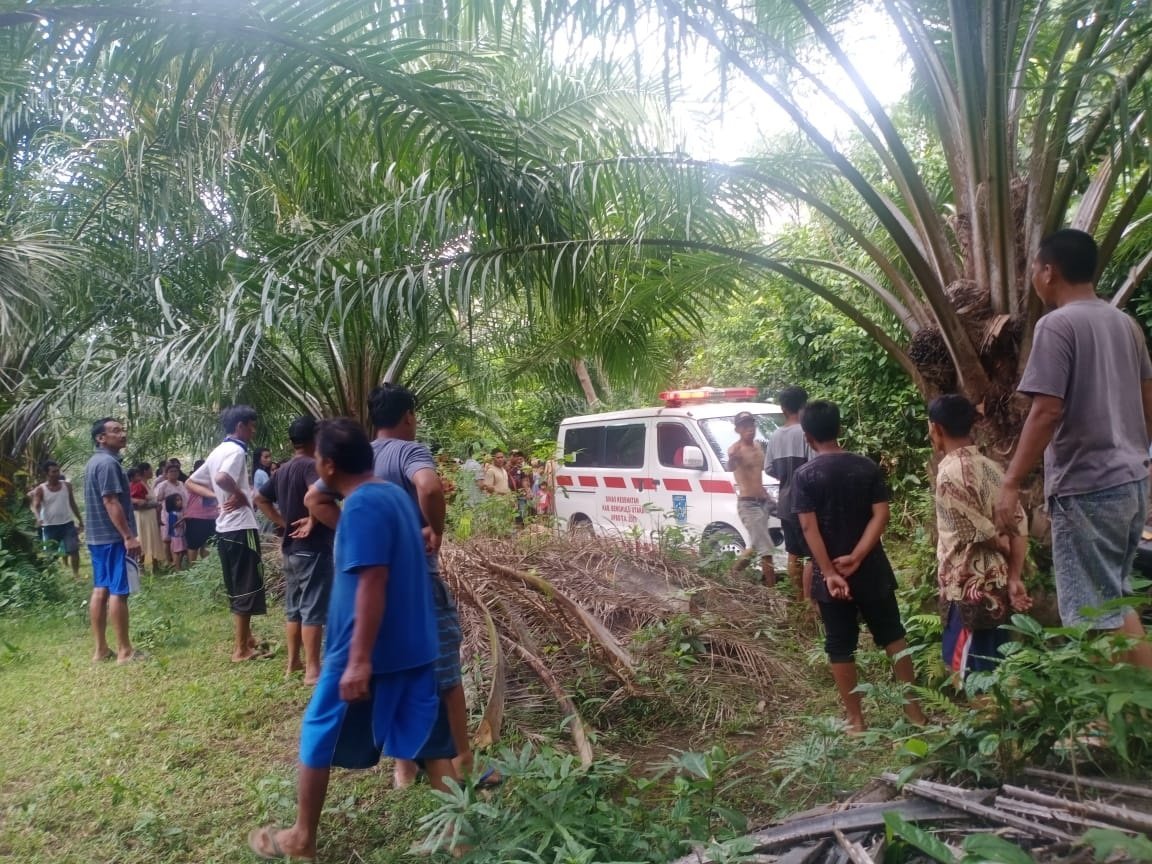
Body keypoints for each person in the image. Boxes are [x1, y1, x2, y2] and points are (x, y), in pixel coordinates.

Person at [246, 418, 448, 862]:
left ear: (330, 464)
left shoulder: (360, 508)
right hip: (415, 646)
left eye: (319, 460)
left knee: (317, 735)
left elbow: (372, 581)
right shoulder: (393, 495)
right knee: (432, 745)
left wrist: (358, 661)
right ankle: (459, 839)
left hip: (368, 651)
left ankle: (302, 838)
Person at [305, 384, 480, 787]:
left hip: (374, 596)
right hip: (417, 583)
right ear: (408, 417)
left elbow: (314, 501)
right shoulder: (409, 451)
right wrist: (434, 531)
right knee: (444, 673)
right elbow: (430, 486)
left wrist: (352, 534)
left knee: (396, 672)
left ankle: (403, 768)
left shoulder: (361, 458)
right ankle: (463, 759)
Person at [995, 229, 1152, 669]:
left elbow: (1046, 411)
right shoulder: (1126, 324)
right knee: (1115, 597)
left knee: (1093, 612)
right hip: (1132, 482)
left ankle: (1116, 716)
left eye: (1034, 269)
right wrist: (1141, 455)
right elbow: (1147, 397)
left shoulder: (1058, 324)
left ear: (1050, 271)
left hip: (1087, 488)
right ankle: (1130, 713)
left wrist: (1011, 482)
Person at [792, 400, 925, 732]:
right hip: (872, 569)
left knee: (840, 645)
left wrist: (832, 571)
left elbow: (810, 529)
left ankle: (855, 719)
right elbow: (882, 514)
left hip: (831, 576)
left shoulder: (805, 476)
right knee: (893, 635)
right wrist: (859, 555)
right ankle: (915, 713)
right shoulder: (866, 467)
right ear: (839, 429)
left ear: (807, 436)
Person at [929, 395, 1033, 680]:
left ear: (936, 428)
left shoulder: (948, 474)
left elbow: (981, 533)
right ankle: (997, 720)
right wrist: (1014, 576)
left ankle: (987, 721)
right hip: (997, 583)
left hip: (968, 589)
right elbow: (1020, 524)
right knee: (992, 668)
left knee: (971, 673)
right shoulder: (992, 467)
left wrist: (999, 542)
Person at [255, 416, 334, 685]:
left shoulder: (283, 470)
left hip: (289, 550)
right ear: (315, 439)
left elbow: (260, 498)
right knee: (312, 607)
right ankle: (313, 670)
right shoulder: (311, 466)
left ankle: (293, 664)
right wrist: (313, 519)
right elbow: (317, 495)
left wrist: (282, 523)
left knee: (294, 608)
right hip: (312, 547)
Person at [187, 405, 269, 663]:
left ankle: (247, 639)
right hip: (240, 526)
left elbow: (191, 481)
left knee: (236, 585)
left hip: (224, 527)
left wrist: (218, 499)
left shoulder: (218, 450)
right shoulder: (235, 451)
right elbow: (222, 478)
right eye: (252, 425)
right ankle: (241, 650)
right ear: (240, 426)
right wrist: (240, 495)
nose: (253, 431)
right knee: (247, 584)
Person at [83, 418, 143, 664]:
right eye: (116, 431)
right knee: (119, 591)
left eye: (123, 429)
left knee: (101, 589)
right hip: (113, 538)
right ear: (101, 438)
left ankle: (101, 650)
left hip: (97, 538)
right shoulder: (108, 464)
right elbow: (110, 501)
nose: (122, 434)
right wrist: (128, 536)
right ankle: (125, 651)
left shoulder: (94, 462)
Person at [765, 387, 812, 594]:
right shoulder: (807, 433)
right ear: (804, 406)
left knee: (793, 552)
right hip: (808, 502)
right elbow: (814, 464)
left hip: (785, 501)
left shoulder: (775, 436)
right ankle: (811, 601)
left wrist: (786, 479)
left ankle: (798, 597)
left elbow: (769, 468)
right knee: (812, 553)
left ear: (783, 409)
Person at [727, 412, 777, 585]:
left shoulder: (758, 447)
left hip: (763, 502)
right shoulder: (736, 450)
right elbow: (731, 465)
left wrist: (768, 496)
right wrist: (732, 458)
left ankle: (730, 576)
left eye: (751, 425)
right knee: (766, 550)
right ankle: (772, 592)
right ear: (738, 429)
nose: (749, 429)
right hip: (748, 505)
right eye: (744, 426)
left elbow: (758, 476)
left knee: (757, 546)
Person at [29, 460, 84, 579]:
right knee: (51, 555)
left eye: (58, 470)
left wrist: (80, 519)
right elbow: (35, 505)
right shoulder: (41, 489)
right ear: (46, 473)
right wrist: (38, 518)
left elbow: (72, 503)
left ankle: (76, 574)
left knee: (74, 550)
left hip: (67, 524)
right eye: (53, 471)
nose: (57, 473)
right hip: (50, 527)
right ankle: (50, 579)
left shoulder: (67, 486)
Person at [131, 462, 165, 573]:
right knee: (143, 538)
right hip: (143, 516)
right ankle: (140, 566)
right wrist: (154, 504)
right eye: (150, 469)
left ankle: (155, 566)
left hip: (151, 516)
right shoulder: (138, 484)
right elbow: (137, 503)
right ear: (145, 471)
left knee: (153, 538)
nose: (152, 471)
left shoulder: (147, 484)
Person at [184, 458, 219, 563]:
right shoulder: (192, 481)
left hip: (212, 515)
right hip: (196, 516)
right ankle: (192, 567)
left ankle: (205, 567)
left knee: (208, 543)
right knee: (193, 544)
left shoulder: (214, 480)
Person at [153, 462, 187, 567]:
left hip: (181, 513)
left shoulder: (181, 484)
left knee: (180, 537)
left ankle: (178, 560)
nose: (174, 473)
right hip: (167, 514)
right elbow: (157, 500)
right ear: (166, 473)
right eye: (171, 471)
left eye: (176, 471)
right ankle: (169, 561)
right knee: (167, 539)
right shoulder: (162, 485)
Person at [508, 449, 533, 525]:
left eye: (518, 456)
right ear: (510, 457)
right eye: (514, 456)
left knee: (522, 513)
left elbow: (524, 480)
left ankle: (522, 528)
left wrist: (528, 491)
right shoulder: (505, 466)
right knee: (511, 514)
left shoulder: (522, 468)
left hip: (521, 494)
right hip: (509, 495)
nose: (517, 458)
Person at [164, 494, 188, 572]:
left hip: (181, 534)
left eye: (180, 500)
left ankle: (179, 566)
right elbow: (173, 525)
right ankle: (177, 568)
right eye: (177, 500)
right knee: (178, 552)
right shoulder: (172, 514)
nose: (180, 502)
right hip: (176, 535)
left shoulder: (180, 512)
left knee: (182, 551)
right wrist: (182, 519)